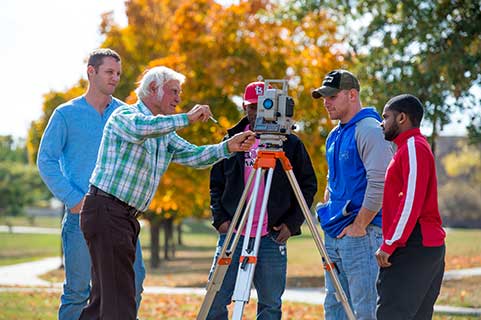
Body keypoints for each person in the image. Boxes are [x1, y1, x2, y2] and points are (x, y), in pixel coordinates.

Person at [79, 66, 256, 320]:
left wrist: (228, 146)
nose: (178, 99)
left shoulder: (165, 134)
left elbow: (194, 155)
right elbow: (143, 128)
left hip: (123, 217)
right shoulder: (125, 116)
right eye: (173, 92)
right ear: (153, 89)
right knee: (120, 300)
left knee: (103, 301)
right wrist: (188, 118)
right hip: (106, 210)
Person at [37, 48, 146, 320]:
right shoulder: (65, 114)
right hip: (81, 218)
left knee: (132, 286)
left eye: (118, 74)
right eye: (109, 72)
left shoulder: (127, 114)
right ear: (91, 72)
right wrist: (74, 200)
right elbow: (46, 160)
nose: (115, 78)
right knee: (77, 293)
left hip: (121, 218)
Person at [207, 81, 318, 319]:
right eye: (253, 107)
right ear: (245, 108)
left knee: (270, 306)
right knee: (216, 299)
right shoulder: (232, 140)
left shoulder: (290, 144)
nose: (258, 112)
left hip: (270, 236)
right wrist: (221, 221)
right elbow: (215, 185)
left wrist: (292, 223)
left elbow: (307, 185)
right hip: (234, 233)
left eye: (264, 106)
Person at [311, 69, 393, 320]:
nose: (326, 102)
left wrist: (359, 226)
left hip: (363, 234)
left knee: (364, 310)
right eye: (324, 97)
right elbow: (332, 180)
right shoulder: (335, 134)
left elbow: (380, 183)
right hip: (336, 233)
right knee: (334, 308)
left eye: (332, 96)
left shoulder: (369, 129)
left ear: (352, 94)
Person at [376, 94, 446, 320]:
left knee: (391, 314)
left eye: (386, 117)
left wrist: (390, 243)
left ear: (402, 118)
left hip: (414, 245)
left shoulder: (414, 147)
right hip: (420, 246)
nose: (382, 123)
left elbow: (411, 200)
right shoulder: (407, 148)